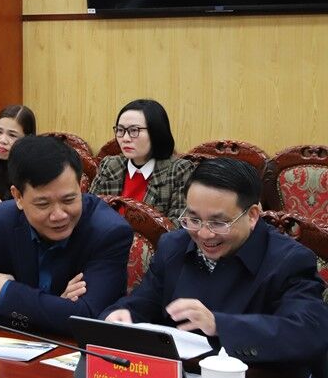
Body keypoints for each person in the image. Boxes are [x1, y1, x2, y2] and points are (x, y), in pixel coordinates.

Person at [103, 159, 328, 377]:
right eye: (193, 219)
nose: (204, 234)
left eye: (218, 223)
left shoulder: (289, 260)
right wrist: (122, 315)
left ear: (252, 216)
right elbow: (142, 303)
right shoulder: (174, 246)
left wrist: (219, 325)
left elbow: (309, 332)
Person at [0, 135, 132, 336]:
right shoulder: (0, 221)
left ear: (80, 187)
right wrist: (55, 310)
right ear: (18, 197)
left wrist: (6, 290)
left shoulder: (109, 232)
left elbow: (87, 320)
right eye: (43, 204)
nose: (59, 215)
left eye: (69, 200)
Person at [90, 99, 194, 220]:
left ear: (156, 133)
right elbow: (89, 212)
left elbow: (178, 224)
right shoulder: (110, 165)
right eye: (120, 130)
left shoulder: (179, 170)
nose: (125, 138)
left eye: (134, 130)